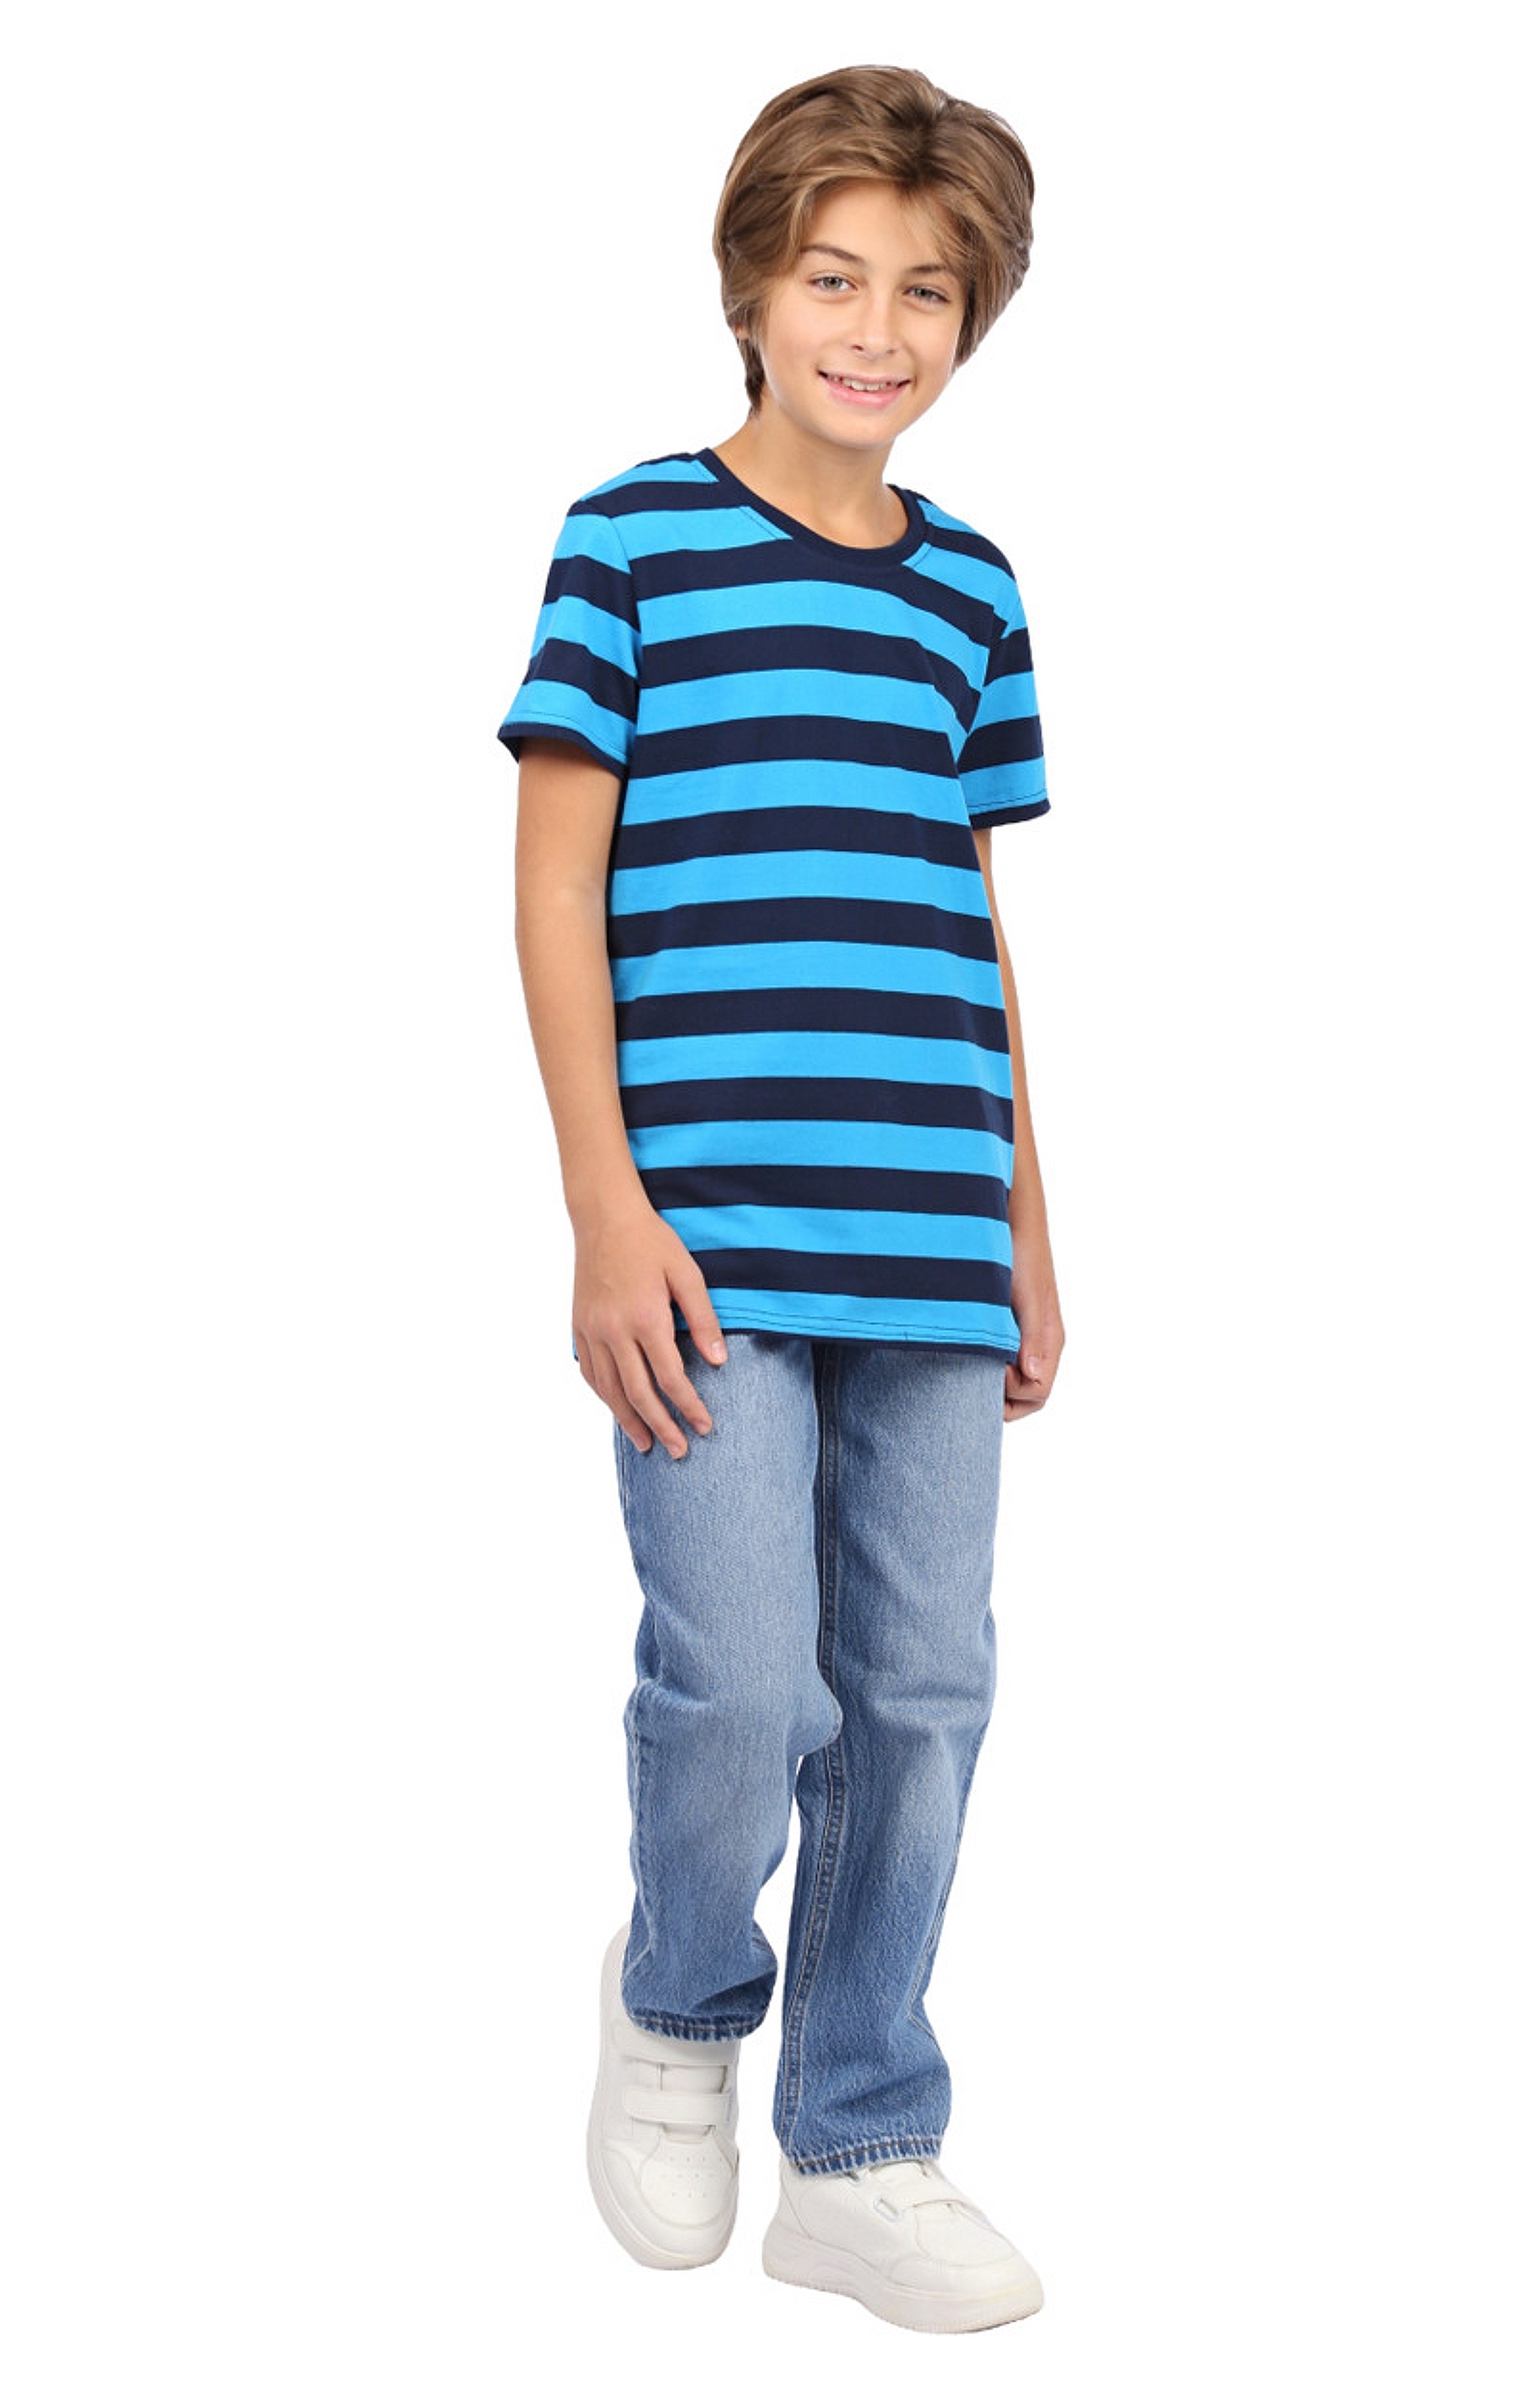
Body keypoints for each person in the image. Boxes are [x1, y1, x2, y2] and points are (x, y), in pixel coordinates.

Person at [501, 64, 1064, 2335]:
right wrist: (601, 1206)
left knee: (922, 1688)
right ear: (752, 288)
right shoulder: (632, 542)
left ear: (970, 320)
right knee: (743, 1684)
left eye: (926, 291)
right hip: (708, 1247)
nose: (876, 328)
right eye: (836, 278)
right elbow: (555, 888)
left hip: (929, 1230)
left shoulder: (974, 590)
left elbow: (967, 923)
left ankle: (861, 2133)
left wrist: (1028, 1217)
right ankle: (676, 1997)